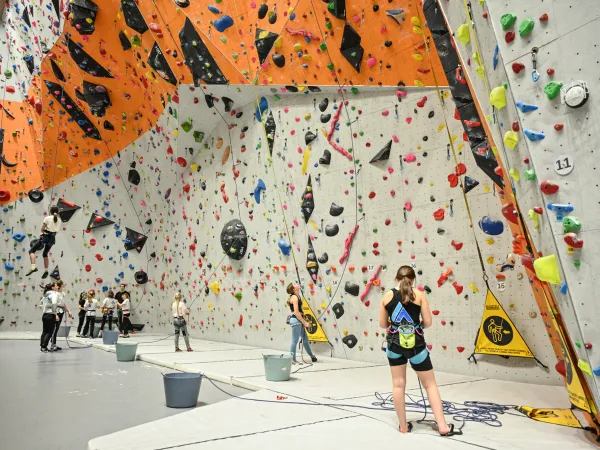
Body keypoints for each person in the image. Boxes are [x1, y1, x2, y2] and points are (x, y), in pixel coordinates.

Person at [379, 266, 459, 436]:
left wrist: (395, 325)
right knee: (430, 385)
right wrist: (416, 325)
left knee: (398, 384)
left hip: (394, 346)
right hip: (416, 346)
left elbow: (383, 324)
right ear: (413, 279)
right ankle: (443, 426)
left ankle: (403, 427)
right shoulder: (419, 295)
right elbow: (428, 322)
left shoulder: (387, 297)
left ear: (396, 279)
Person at [27, 205, 62, 279]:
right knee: (45, 254)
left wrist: (43, 232)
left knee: (31, 251)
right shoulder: (59, 220)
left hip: (45, 237)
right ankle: (46, 270)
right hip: (52, 239)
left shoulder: (47, 218)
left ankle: (33, 267)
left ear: (50, 211)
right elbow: (56, 231)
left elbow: (42, 229)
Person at [286, 283, 317, 364]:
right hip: (296, 320)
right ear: (294, 289)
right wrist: (305, 322)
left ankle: (312, 356)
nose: (296, 284)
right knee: (294, 341)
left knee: (305, 340)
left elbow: (300, 311)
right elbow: (296, 312)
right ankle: (292, 360)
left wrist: (303, 319)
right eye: (294, 284)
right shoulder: (294, 297)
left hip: (299, 320)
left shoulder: (298, 296)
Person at [50, 280, 72, 351]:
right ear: (60, 285)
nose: (63, 285)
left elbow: (63, 304)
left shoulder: (62, 293)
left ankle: (54, 344)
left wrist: (69, 311)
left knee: (57, 328)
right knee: (54, 328)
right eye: (62, 284)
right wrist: (55, 314)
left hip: (61, 311)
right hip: (56, 311)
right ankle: (52, 344)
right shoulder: (55, 294)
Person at [40, 282, 60, 352]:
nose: (57, 287)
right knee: (49, 332)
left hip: (45, 315)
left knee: (44, 331)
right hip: (50, 315)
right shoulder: (53, 294)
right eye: (56, 286)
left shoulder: (45, 294)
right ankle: (44, 346)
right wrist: (55, 312)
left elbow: (41, 304)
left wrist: (45, 308)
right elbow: (54, 303)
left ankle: (42, 347)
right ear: (52, 287)